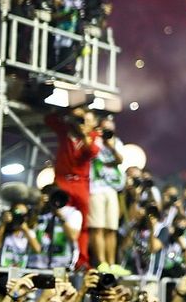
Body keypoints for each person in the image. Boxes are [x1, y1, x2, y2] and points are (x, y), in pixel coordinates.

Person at [44, 106, 100, 268]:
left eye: (87, 120)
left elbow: (91, 153)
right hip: (62, 181)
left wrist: (84, 134)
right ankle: (54, 254)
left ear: (93, 124)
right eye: (81, 119)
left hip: (81, 183)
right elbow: (49, 119)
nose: (83, 123)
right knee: (58, 215)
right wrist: (68, 112)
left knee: (83, 224)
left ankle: (82, 259)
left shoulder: (93, 136)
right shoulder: (65, 130)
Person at [88, 114, 125, 269]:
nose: (108, 131)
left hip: (111, 188)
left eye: (111, 129)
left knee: (111, 228)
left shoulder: (117, 143)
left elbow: (120, 160)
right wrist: (98, 137)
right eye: (105, 128)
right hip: (96, 187)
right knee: (98, 227)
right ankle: (101, 262)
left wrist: (109, 145)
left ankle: (112, 263)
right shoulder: (93, 140)